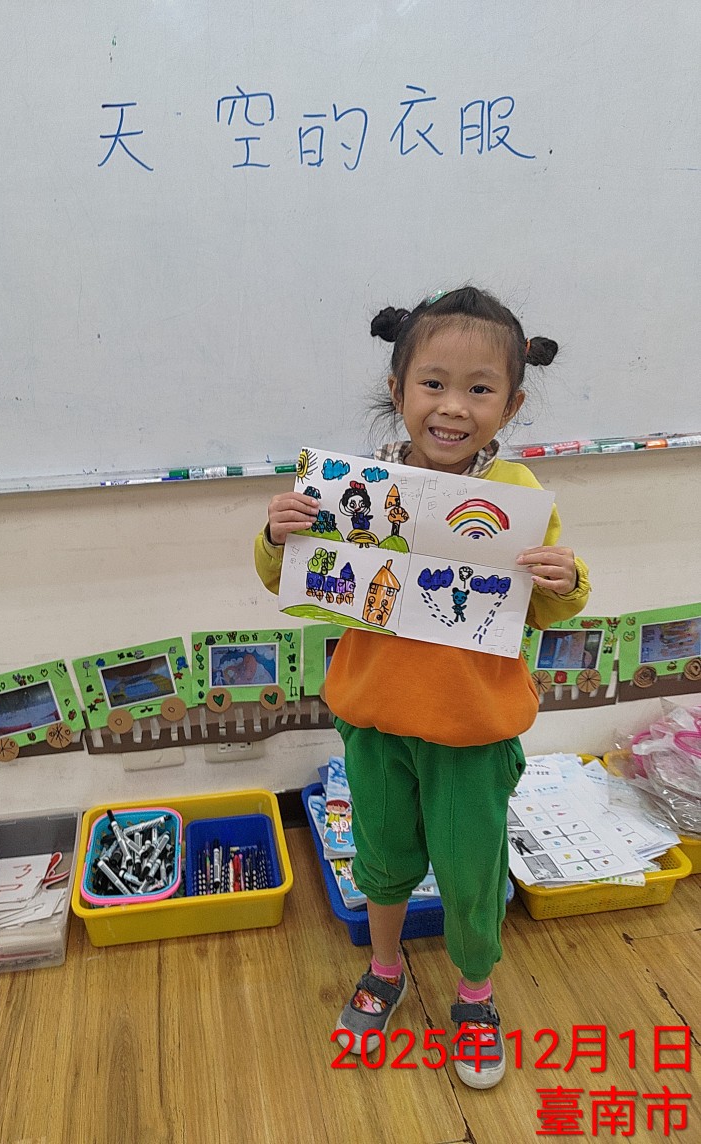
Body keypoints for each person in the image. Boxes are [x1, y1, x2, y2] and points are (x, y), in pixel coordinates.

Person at [254, 286, 590, 1089]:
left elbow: (545, 606)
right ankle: (384, 969)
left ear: (511, 404)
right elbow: (286, 579)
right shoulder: (358, 488)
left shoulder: (519, 496)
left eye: (480, 388)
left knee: (473, 873)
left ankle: (475, 994)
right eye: (433, 383)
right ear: (399, 388)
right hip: (375, 724)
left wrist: (567, 578)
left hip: (473, 733)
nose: (453, 406)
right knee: (382, 860)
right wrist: (276, 535)